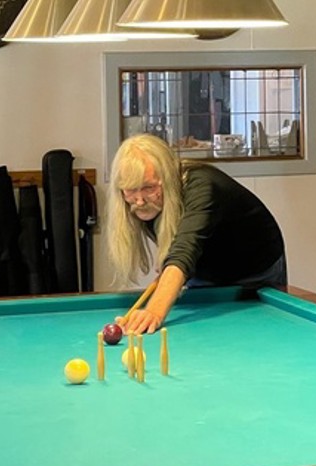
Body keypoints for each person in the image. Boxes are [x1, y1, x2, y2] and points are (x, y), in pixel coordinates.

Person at [107, 134, 286, 335]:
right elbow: (177, 244)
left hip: (255, 269)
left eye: (149, 188)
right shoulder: (137, 201)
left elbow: (184, 250)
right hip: (204, 270)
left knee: (256, 335)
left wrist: (153, 312)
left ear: (167, 177)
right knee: (204, 337)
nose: (139, 200)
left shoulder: (202, 184)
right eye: (131, 190)